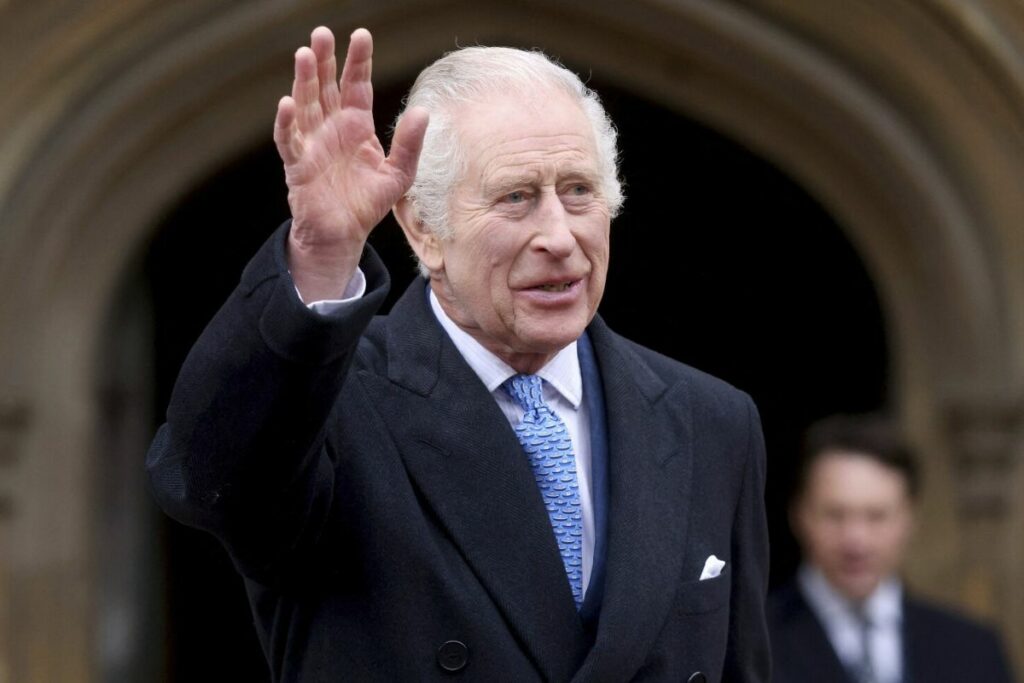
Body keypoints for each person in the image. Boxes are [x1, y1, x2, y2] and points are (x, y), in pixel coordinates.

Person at [147, 26, 770, 682]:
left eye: (579, 191)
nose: (559, 236)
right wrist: (323, 252)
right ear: (423, 226)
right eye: (517, 197)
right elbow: (206, 477)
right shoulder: (332, 409)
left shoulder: (713, 420)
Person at [769, 414, 1015, 683]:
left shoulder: (973, 649)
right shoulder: (752, 643)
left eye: (876, 516)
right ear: (799, 515)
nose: (856, 540)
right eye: (835, 515)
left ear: (910, 518)